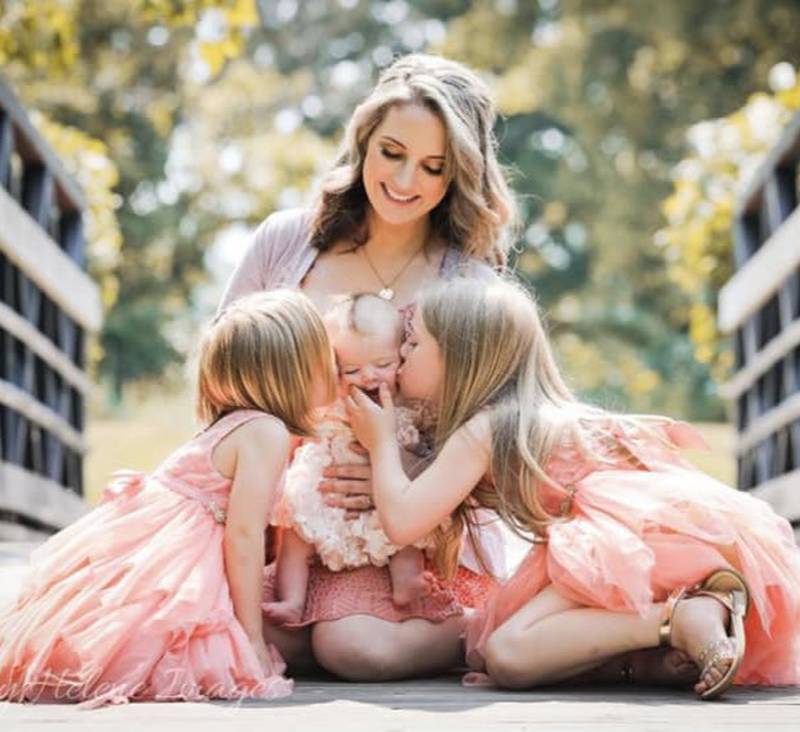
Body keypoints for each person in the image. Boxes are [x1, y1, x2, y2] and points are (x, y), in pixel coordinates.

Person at [346, 277, 800, 700]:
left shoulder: (486, 429)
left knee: (509, 653)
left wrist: (381, 442)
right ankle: (677, 630)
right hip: (666, 540)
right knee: (512, 647)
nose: (402, 353)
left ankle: (678, 620)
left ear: (460, 358)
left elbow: (404, 522)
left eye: (414, 341)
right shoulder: (530, 415)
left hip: (622, 541)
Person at [219, 52, 516, 681]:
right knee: (208, 621)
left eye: (433, 167)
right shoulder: (285, 242)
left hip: (407, 539)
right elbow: (221, 382)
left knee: (352, 650)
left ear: (458, 175)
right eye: (392, 152)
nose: (406, 179)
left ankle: (491, 626)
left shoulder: (468, 281)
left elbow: (498, 430)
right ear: (363, 142)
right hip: (283, 517)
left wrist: (404, 470)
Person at [0, 291, 336, 708]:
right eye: (328, 359)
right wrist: (250, 635)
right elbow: (244, 537)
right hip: (180, 551)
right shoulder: (266, 432)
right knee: (174, 640)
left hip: (161, 538)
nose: (337, 369)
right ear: (295, 373)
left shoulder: (241, 423)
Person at [266, 293, 436, 625]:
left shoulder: (408, 403)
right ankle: (292, 600)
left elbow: (423, 452)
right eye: (352, 369)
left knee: (406, 532)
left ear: (402, 354)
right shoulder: (330, 399)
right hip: (326, 489)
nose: (369, 377)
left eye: (383, 365)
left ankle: (408, 583)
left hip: (389, 493)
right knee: (295, 533)